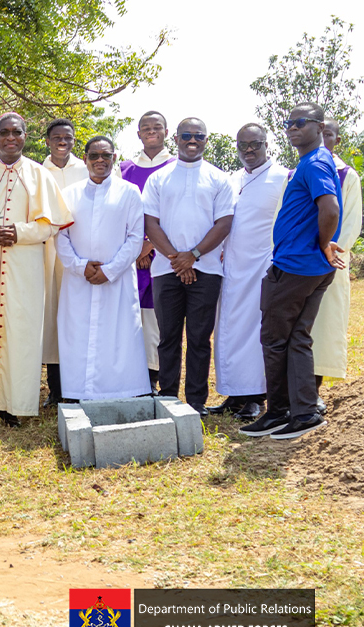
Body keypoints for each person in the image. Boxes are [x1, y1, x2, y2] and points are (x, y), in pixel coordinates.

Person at [0, 112, 72, 430]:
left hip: (25, 266)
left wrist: (19, 232)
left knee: (21, 332)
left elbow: (51, 225)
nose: (10, 137)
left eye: (16, 132)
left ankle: (12, 406)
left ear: (24, 137)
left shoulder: (39, 175)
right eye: (4, 132)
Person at [241, 103, 343, 439]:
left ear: (319, 127)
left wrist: (323, 243)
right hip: (310, 267)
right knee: (298, 338)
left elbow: (330, 209)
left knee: (274, 339)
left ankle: (279, 412)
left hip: (296, 267)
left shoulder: (315, 162)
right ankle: (303, 412)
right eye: (289, 123)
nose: (292, 128)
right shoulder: (314, 161)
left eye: (301, 122)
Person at [143, 117, 235, 416]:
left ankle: (196, 401)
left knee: (199, 337)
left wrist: (193, 255)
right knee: (168, 337)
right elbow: (150, 222)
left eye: (198, 136)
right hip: (165, 270)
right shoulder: (159, 178)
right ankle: (168, 397)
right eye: (186, 135)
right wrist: (177, 258)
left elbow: (224, 222)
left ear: (206, 140)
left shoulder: (218, 178)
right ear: (176, 139)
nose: (192, 140)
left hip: (206, 271)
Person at [56, 137, 150, 400]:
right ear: (85, 158)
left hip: (117, 280)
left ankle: (121, 391)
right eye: (94, 155)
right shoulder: (69, 194)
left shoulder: (129, 192)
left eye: (106, 155)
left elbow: (135, 237)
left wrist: (110, 271)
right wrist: (80, 267)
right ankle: (77, 392)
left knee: (119, 335)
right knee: (77, 334)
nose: (100, 160)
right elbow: (60, 236)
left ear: (114, 158)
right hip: (79, 280)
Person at [211, 125, 288, 421]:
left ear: (267, 144)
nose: (249, 150)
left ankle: (257, 396)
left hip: (262, 266)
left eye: (255, 144)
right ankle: (235, 394)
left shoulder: (283, 177)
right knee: (228, 330)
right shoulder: (231, 179)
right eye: (243, 145)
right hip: (230, 269)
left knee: (257, 331)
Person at [120, 111, 176, 391]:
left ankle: (154, 375)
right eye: (146, 127)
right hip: (130, 257)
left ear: (166, 131)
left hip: (164, 253)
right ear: (138, 133)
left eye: (157, 127)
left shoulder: (177, 167)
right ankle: (132, 375)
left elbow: (177, 213)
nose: (151, 131)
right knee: (132, 316)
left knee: (157, 318)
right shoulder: (124, 170)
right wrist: (136, 249)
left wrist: (150, 244)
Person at [310, 118, 363, 408]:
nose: (322, 140)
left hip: (331, 261)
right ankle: (293, 391)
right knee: (295, 328)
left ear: (337, 140)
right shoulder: (294, 173)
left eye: (328, 134)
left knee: (323, 326)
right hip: (297, 262)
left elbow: (350, 223)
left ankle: (313, 391)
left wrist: (326, 251)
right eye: (318, 134)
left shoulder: (346, 176)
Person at [41, 118, 89, 405]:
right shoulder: (36, 172)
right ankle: (55, 389)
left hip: (80, 253)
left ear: (74, 141)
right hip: (46, 254)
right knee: (50, 320)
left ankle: (80, 386)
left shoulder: (86, 170)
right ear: (47, 141)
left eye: (67, 137)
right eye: (56, 137)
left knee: (77, 318)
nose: (62, 142)